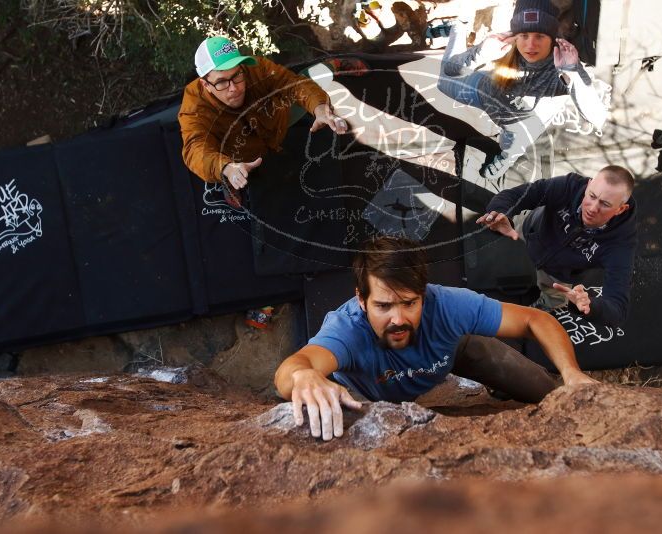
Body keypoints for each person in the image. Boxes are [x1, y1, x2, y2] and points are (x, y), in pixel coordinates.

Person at [274, 236, 596, 441]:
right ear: (362, 300)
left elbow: (534, 319)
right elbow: (293, 367)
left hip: (451, 354)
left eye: (409, 303)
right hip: (368, 393)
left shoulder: (448, 304)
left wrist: (571, 373)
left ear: (424, 295)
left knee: (552, 393)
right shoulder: (347, 328)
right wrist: (304, 375)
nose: (397, 319)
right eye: (383, 306)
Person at [437, 0, 607, 179]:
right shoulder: (503, 45)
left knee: (510, 146)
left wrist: (571, 73)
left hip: (522, 123)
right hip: (488, 95)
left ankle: (507, 159)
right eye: (524, 35)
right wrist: (480, 53)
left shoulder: (563, 63)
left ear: (551, 36)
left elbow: (598, 117)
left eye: (540, 36)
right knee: (443, 83)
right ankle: (457, 26)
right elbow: (449, 72)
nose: (531, 45)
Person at [178, 36, 348, 201]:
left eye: (237, 75)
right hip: (237, 155)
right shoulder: (194, 107)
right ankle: (229, 180)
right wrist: (225, 168)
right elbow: (195, 148)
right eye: (222, 82)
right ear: (205, 84)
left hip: (275, 123)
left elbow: (293, 84)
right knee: (229, 172)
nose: (234, 89)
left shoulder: (256, 68)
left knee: (308, 87)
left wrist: (319, 108)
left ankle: (335, 64)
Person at [477, 165, 636, 327]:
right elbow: (519, 194)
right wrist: (500, 213)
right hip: (530, 233)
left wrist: (589, 306)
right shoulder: (569, 186)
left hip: (558, 276)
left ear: (620, 209)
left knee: (554, 295)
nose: (593, 208)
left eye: (605, 204)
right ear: (588, 185)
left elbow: (618, 310)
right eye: (592, 196)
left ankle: (549, 303)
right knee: (514, 255)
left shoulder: (620, 244)